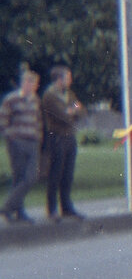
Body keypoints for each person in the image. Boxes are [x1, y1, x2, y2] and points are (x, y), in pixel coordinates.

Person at [41, 65, 86, 221]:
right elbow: (62, 116)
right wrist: (71, 111)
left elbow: (80, 110)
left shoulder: (69, 94)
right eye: (67, 78)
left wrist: (72, 110)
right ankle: (51, 209)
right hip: (57, 137)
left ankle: (66, 207)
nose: (70, 81)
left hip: (69, 137)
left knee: (68, 173)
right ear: (59, 79)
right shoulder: (50, 96)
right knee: (56, 173)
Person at [1, 68, 43, 224]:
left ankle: (6, 207)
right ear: (24, 83)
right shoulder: (11, 99)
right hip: (17, 142)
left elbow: (38, 121)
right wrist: (11, 136)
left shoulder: (35, 100)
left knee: (31, 177)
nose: (34, 87)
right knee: (19, 177)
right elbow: (3, 121)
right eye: (31, 83)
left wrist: (39, 137)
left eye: (35, 84)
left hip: (32, 142)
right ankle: (18, 211)